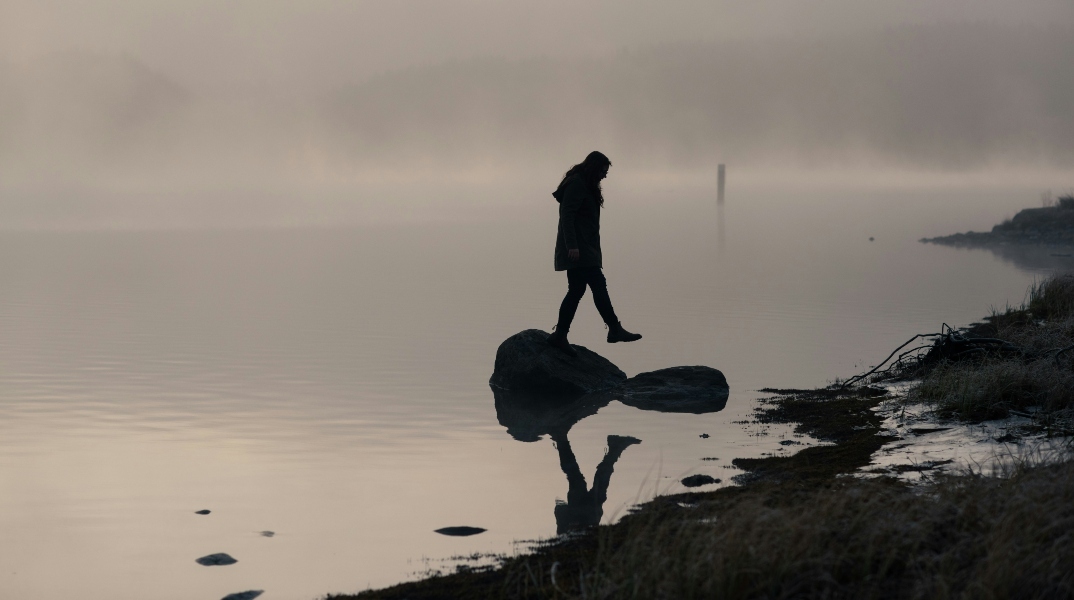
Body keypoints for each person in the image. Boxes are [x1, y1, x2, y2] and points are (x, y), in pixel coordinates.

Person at [546, 151, 641, 357]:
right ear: (593, 168)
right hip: (578, 250)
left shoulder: (586, 184)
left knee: (577, 290)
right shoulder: (577, 184)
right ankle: (614, 329)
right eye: (603, 171)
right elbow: (567, 217)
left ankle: (560, 335)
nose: (604, 176)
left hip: (585, 248)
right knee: (597, 285)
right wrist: (572, 246)